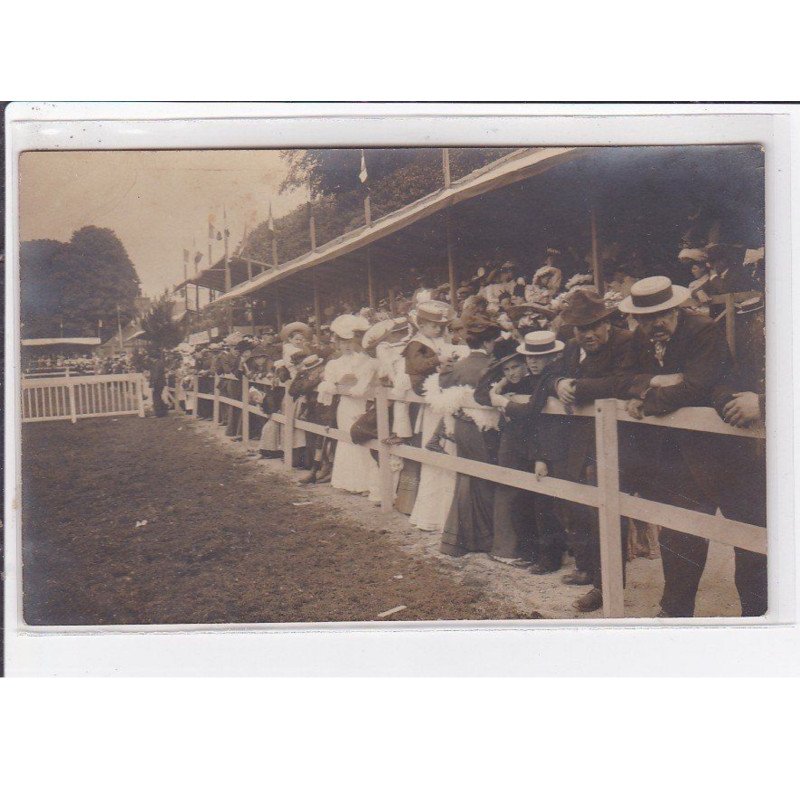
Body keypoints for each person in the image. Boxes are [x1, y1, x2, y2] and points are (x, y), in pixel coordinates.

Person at [614, 275, 763, 617]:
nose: (656, 324)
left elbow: (698, 387)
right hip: (678, 457)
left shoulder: (703, 330)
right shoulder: (639, 337)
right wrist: (647, 384)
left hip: (726, 454)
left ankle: (758, 617)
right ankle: (674, 612)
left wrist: (648, 400)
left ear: (676, 308)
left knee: (750, 537)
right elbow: (623, 378)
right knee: (680, 534)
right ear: (637, 318)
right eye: (647, 318)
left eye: (662, 315)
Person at [540, 289, 633, 611]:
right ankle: (592, 572)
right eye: (581, 329)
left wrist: (576, 388)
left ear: (607, 322)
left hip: (617, 443)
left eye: (594, 326)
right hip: (579, 443)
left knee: (607, 515)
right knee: (581, 511)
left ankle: (607, 588)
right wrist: (559, 384)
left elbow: (624, 383)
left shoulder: (625, 342)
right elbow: (549, 376)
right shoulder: (570, 349)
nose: (588, 334)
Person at [474, 332, 565, 569]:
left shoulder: (546, 379)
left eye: (538, 358)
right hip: (523, 447)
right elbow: (481, 393)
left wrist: (504, 402)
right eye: (529, 358)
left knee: (543, 503)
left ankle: (549, 557)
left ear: (551, 357)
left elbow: (535, 417)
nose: (532, 362)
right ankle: (531, 552)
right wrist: (501, 383)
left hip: (541, 447)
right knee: (520, 500)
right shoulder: (521, 381)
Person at [438, 314, 502, 557]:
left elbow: (443, 389)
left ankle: (460, 538)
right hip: (485, 428)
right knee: (487, 478)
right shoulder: (492, 366)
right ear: (487, 343)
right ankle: (487, 538)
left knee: (467, 477)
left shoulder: (457, 367)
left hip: (462, 426)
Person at [317, 314, 380, 498]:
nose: (346, 345)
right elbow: (328, 384)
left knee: (362, 439)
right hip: (345, 405)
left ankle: (365, 484)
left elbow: (371, 382)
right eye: (342, 341)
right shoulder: (334, 364)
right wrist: (335, 385)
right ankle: (347, 481)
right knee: (346, 439)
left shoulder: (365, 361)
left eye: (350, 341)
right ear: (336, 342)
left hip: (362, 404)